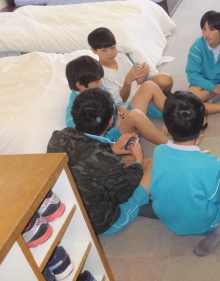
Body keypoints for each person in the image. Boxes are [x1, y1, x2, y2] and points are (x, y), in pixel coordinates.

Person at [150, 91, 220, 256]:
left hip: (166, 216)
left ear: (165, 128)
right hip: (202, 223)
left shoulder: (158, 151)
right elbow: (219, 196)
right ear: (204, 123)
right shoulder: (211, 164)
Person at [48, 88, 153, 235]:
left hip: (68, 213)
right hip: (103, 222)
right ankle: (142, 203)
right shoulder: (107, 161)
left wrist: (112, 149)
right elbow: (124, 194)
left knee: (126, 161)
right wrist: (139, 160)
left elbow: (84, 156)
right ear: (111, 121)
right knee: (153, 163)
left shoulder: (58, 136)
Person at [65, 55, 168, 145]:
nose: (101, 84)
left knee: (149, 86)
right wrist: (117, 126)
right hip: (112, 141)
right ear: (79, 85)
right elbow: (92, 145)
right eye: (96, 81)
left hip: (119, 121)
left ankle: (175, 117)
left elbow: (111, 104)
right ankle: (169, 146)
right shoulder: (76, 114)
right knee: (135, 115)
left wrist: (119, 108)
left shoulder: (96, 89)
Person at [88, 27, 172, 119]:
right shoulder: (100, 74)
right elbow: (119, 102)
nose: (110, 53)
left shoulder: (122, 57)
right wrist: (127, 82)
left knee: (165, 79)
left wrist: (143, 73)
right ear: (94, 50)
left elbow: (138, 82)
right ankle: (172, 112)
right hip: (129, 104)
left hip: (140, 90)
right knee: (150, 86)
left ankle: (164, 99)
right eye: (104, 50)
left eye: (113, 47)